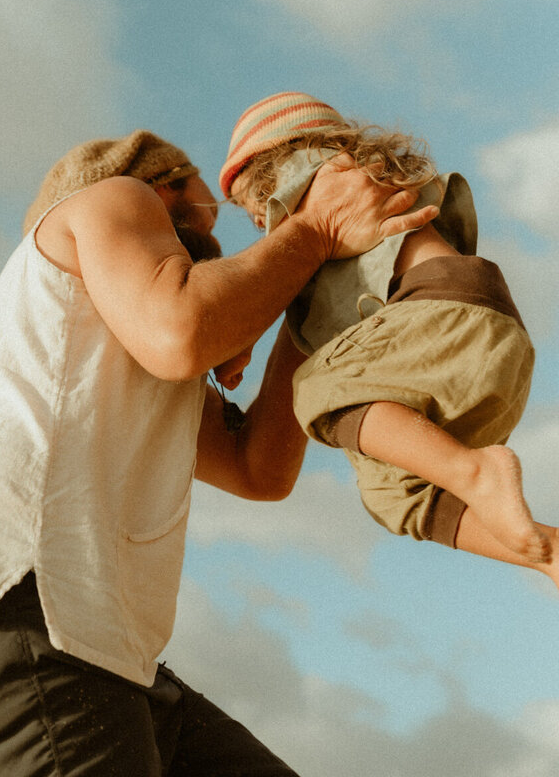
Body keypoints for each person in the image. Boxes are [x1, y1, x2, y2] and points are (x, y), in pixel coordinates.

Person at [0, 129, 438, 776]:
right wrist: (313, 232)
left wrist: (313, 296)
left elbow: (260, 468)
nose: (226, 222)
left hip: (98, 643)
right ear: (166, 183)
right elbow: (183, 332)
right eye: (209, 199)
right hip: (9, 605)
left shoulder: (137, 332)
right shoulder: (114, 198)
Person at [219, 91, 559, 591]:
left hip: (438, 314)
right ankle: (547, 553)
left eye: (252, 204)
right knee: (391, 491)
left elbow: (273, 277)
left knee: (315, 388)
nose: (257, 220)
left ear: (275, 164)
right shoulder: (359, 192)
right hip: (480, 345)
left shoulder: (327, 176)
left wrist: (237, 335)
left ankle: (474, 471)